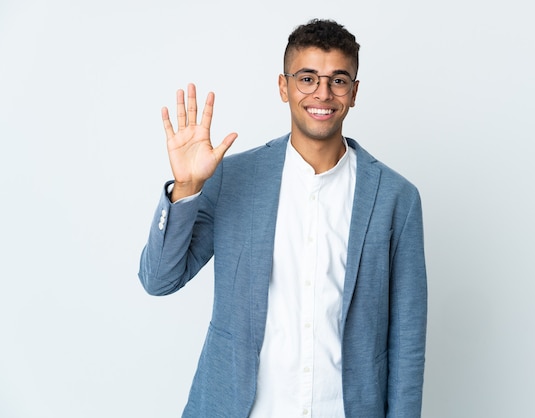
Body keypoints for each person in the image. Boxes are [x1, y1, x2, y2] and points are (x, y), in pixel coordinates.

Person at [139, 19, 427, 418]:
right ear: (283, 86)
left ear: (354, 92)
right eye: (307, 78)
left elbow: (408, 339)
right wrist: (187, 187)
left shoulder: (397, 198)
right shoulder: (230, 179)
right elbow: (159, 279)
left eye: (338, 80)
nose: (322, 93)